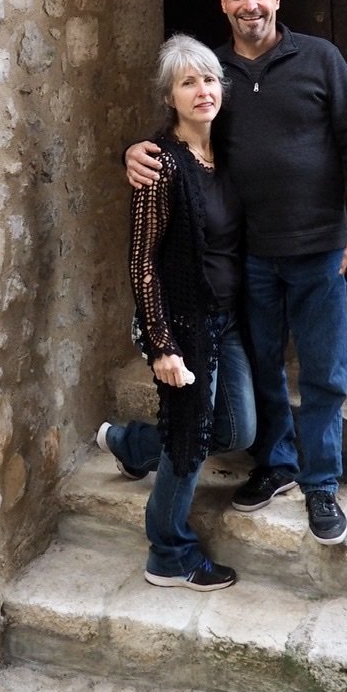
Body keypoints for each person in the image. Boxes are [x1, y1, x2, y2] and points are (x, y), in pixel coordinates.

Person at [125, 0, 347, 547]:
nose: (251, 5)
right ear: (224, 4)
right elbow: (181, 133)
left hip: (321, 250)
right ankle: (277, 464)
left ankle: (322, 484)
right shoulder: (214, 72)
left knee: (324, 373)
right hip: (252, 258)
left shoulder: (321, 58)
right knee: (264, 369)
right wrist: (131, 153)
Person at [98, 33, 256, 590]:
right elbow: (141, 261)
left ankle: (134, 444)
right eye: (188, 83)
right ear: (170, 97)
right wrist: (162, 345)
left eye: (210, 79)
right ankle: (169, 553)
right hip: (183, 323)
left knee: (237, 430)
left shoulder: (226, 154)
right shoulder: (160, 166)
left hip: (225, 319)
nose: (202, 90)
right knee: (189, 441)